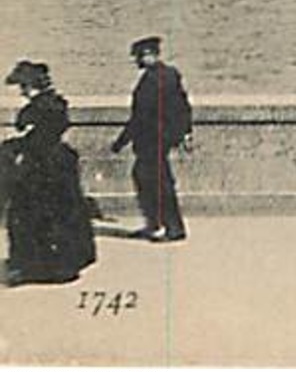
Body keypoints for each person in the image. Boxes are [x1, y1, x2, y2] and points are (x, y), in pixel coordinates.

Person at [3, 61, 97, 286]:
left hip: (42, 167)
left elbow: (36, 138)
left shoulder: (38, 107)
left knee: (30, 214)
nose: (23, 92)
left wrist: (14, 147)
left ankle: (37, 266)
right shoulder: (55, 103)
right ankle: (64, 263)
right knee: (61, 213)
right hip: (58, 165)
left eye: (24, 87)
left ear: (31, 86)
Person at [109, 36, 192, 242]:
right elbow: (183, 107)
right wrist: (184, 133)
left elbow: (140, 117)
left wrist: (120, 142)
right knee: (157, 181)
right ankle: (163, 225)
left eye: (138, 57)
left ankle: (166, 226)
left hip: (151, 140)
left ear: (148, 55)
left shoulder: (152, 80)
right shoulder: (170, 74)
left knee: (154, 183)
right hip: (162, 138)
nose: (136, 61)